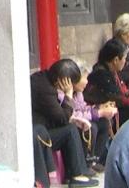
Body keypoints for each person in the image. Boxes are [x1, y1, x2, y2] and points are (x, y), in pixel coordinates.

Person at [28, 59, 96, 188]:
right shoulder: (45, 90)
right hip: (38, 135)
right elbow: (63, 118)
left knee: (72, 127)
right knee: (70, 130)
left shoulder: (42, 78)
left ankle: (79, 171)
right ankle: (76, 175)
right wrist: (68, 95)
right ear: (64, 80)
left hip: (41, 128)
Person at [70, 56, 118, 168]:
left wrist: (99, 108)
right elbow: (74, 115)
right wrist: (99, 113)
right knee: (93, 127)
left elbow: (83, 108)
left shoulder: (78, 93)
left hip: (80, 121)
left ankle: (95, 159)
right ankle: (87, 163)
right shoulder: (65, 94)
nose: (87, 82)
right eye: (85, 78)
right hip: (73, 124)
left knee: (104, 123)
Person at [86, 38, 129, 125]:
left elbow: (125, 92)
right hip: (98, 115)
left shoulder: (111, 71)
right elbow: (120, 98)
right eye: (124, 58)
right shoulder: (102, 75)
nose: (125, 62)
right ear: (116, 60)